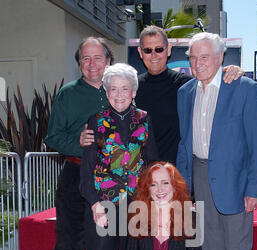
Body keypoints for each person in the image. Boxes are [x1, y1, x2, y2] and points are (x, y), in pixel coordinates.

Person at [176, 32, 257, 250]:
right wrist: (183, 187)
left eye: (204, 57)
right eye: (192, 57)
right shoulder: (186, 92)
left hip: (235, 181)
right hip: (199, 176)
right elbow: (184, 142)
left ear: (220, 59)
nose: (197, 63)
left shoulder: (243, 88)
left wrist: (255, 189)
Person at [73, 63, 158, 250]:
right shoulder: (94, 122)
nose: (119, 94)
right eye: (113, 89)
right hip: (103, 204)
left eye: (124, 89)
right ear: (106, 92)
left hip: (136, 204)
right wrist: (95, 204)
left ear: (134, 91)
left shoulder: (145, 118)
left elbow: (152, 162)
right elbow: (86, 170)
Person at [80, 26, 243, 164]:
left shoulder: (187, 85)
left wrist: (230, 71)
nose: (154, 55)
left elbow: (213, 86)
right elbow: (109, 120)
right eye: (148, 50)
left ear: (168, 50)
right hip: (138, 175)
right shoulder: (131, 88)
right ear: (140, 52)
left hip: (177, 173)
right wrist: (87, 137)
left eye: (159, 49)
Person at [43, 37, 114, 250]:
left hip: (110, 180)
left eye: (98, 57)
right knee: (68, 246)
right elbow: (52, 137)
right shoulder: (68, 94)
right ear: (79, 64)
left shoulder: (120, 90)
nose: (92, 63)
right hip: (74, 176)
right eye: (86, 59)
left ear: (108, 60)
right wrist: (77, 142)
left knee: (105, 247)